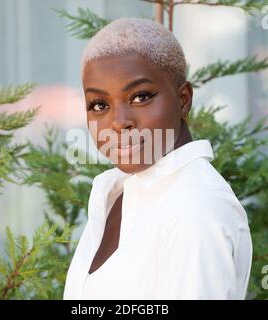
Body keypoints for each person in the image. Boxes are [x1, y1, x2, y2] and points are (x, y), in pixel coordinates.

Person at [63, 17, 252, 300]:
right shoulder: (116, 191)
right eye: (99, 104)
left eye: (140, 97)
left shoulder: (196, 205)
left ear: (183, 99)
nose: (119, 122)